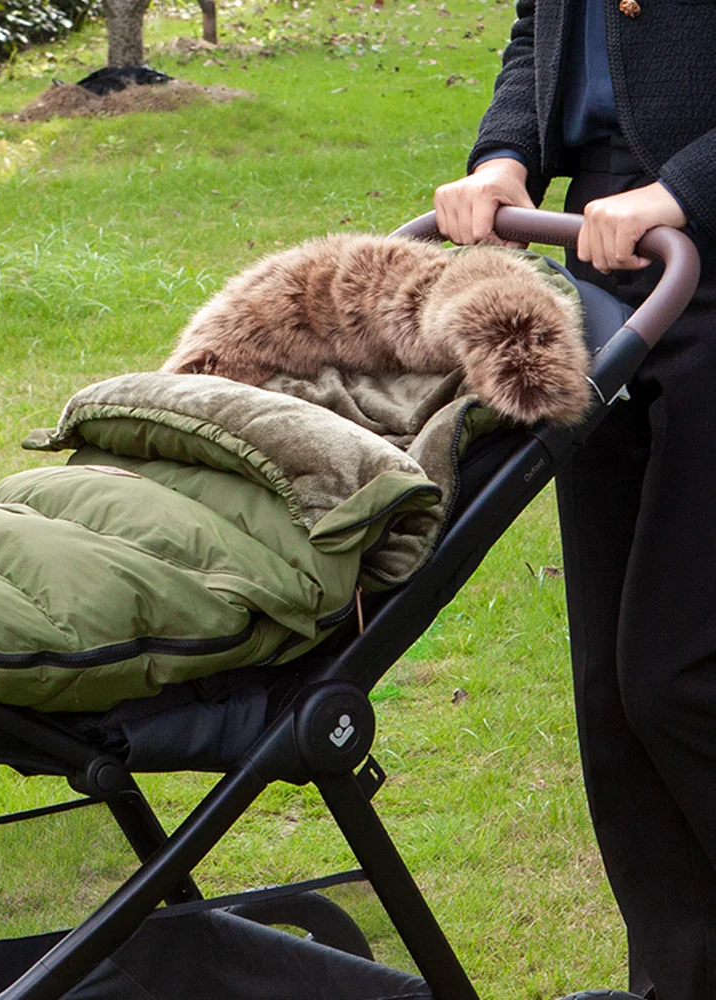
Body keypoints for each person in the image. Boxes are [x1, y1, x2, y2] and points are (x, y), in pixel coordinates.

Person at [433, 2, 716, 998]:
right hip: (598, 255)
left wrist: (684, 188)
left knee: (678, 676)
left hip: (696, 238)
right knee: (606, 690)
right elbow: (538, 26)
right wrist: (503, 156)